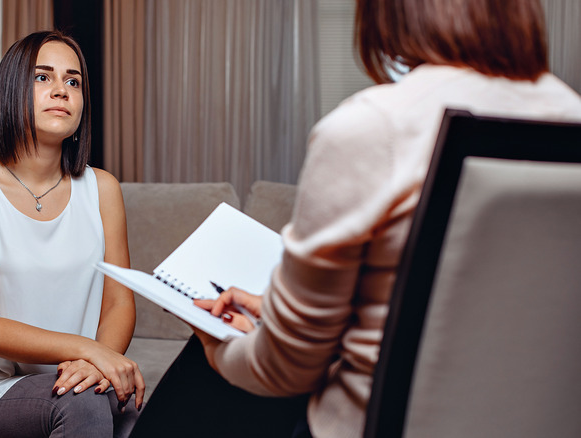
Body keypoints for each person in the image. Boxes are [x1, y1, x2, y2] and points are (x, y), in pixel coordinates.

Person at [128, 0, 581, 437]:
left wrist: (215, 344)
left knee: (207, 371)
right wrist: (280, 314)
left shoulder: (375, 127)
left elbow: (282, 371)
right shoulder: (569, 113)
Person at [0, 30, 144, 438]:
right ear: (11, 92)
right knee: (83, 403)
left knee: (130, 407)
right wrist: (89, 350)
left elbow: (119, 304)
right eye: (43, 77)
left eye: (73, 81)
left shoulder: (103, 189)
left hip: (80, 376)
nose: (61, 90)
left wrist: (94, 364)